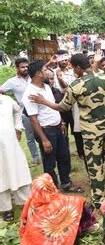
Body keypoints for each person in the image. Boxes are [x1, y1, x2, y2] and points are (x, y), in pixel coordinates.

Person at [29, 53, 105, 210]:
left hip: (91, 133)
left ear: (79, 67)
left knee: (95, 165)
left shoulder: (76, 85)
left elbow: (62, 107)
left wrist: (43, 101)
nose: (73, 71)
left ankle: (99, 201)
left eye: (73, 68)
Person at [22, 61, 82, 193]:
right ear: (38, 74)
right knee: (49, 161)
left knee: (64, 156)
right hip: (46, 131)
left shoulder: (47, 87)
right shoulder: (30, 93)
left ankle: (66, 183)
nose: (48, 71)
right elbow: (33, 119)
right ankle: (53, 188)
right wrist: (44, 139)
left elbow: (53, 107)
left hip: (57, 127)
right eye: (45, 69)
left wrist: (61, 122)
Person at [17, 174, 96, 245]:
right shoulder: (61, 200)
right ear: (51, 186)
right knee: (79, 205)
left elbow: (24, 221)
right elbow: (80, 202)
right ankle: (88, 227)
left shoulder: (32, 202)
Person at [0, 57, 40, 165]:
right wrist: (8, 101)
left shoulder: (34, 77)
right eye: (22, 67)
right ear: (17, 68)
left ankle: (47, 153)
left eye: (27, 66)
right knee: (30, 136)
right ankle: (36, 158)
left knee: (42, 133)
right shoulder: (12, 81)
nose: (25, 69)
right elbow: (1, 90)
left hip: (39, 109)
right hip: (25, 112)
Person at [0, 94, 32, 222]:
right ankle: (6, 209)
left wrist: (18, 128)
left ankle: (25, 202)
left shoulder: (7, 100)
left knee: (18, 170)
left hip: (11, 142)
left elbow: (18, 110)